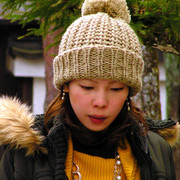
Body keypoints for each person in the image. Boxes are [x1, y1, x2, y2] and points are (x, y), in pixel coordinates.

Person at [0, 0, 179, 179]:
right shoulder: (24, 152)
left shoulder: (157, 152)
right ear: (66, 85)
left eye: (116, 89)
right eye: (87, 87)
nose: (101, 102)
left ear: (129, 92)